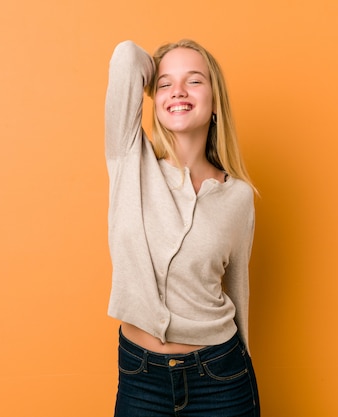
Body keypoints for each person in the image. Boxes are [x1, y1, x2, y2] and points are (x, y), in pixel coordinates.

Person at [105, 39, 259, 417]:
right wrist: (158, 75)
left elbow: (239, 292)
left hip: (220, 377)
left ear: (215, 100)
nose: (178, 91)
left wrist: (246, 368)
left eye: (194, 81)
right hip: (140, 377)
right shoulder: (130, 160)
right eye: (165, 84)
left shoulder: (238, 197)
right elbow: (126, 56)